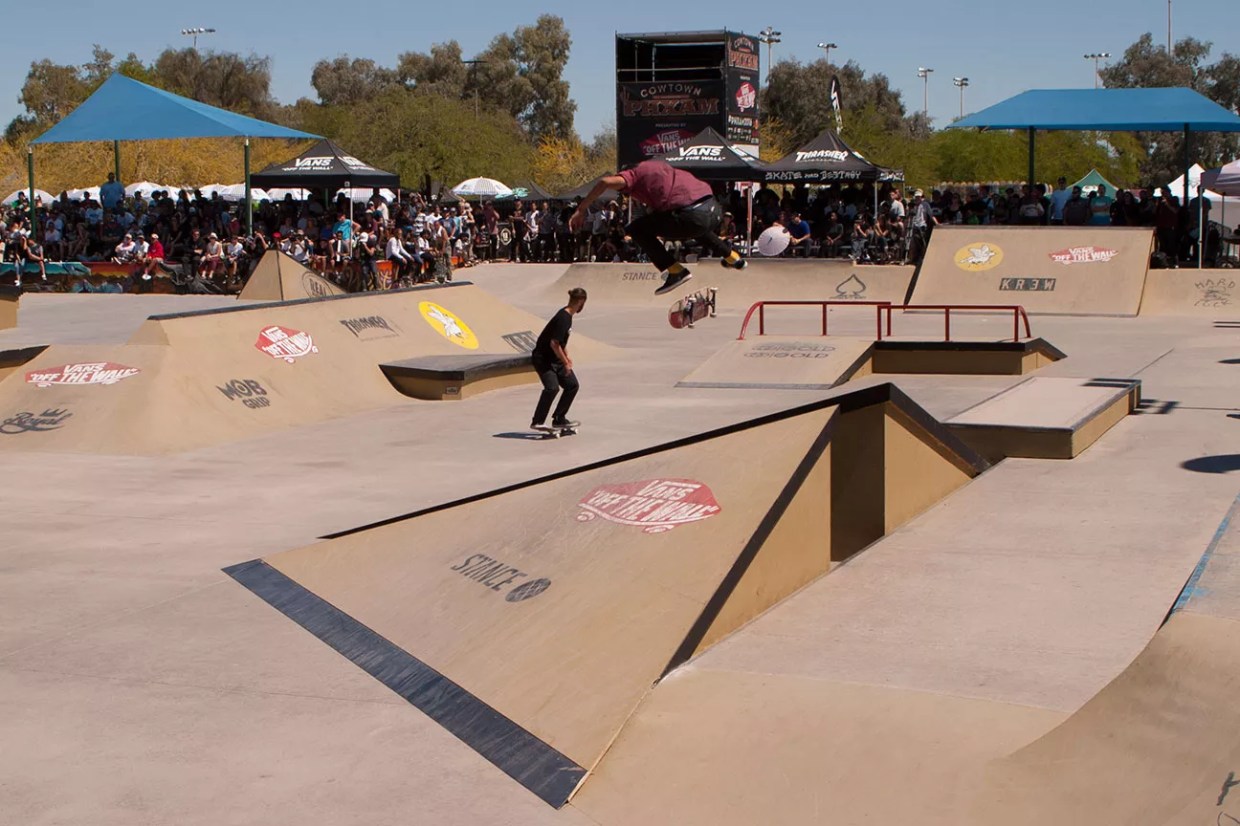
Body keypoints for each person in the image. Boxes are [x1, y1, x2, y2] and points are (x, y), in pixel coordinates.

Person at [568, 159, 746, 294]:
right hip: (713, 210)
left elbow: (605, 182)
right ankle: (733, 257)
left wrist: (581, 210)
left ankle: (676, 271)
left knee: (636, 229)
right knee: (693, 227)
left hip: (691, 214)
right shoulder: (661, 168)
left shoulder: (633, 175)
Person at [530, 287, 587, 432]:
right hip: (543, 359)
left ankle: (559, 418)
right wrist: (566, 363)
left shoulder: (567, 316)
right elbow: (554, 344)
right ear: (581, 301)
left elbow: (561, 342)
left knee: (572, 385)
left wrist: (567, 357)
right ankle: (538, 421)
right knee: (552, 388)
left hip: (555, 359)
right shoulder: (563, 318)